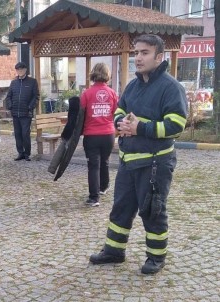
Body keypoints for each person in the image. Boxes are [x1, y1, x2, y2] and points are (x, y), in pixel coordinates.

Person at [89, 34, 188, 274]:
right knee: (121, 208)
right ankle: (114, 251)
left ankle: (156, 257)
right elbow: (120, 109)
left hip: (155, 164)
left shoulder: (170, 87)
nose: (138, 57)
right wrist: (120, 122)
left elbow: (176, 124)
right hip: (127, 162)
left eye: (145, 53)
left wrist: (140, 127)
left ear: (159, 57)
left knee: (152, 210)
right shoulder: (132, 86)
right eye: (136, 52)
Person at [80, 63, 118, 207]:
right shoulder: (112, 93)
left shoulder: (87, 93)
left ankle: (94, 197)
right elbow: (116, 111)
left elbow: (81, 113)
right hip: (108, 133)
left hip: (92, 134)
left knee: (93, 165)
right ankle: (103, 187)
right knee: (105, 161)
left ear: (93, 74)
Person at [6, 62, 39, 161]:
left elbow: (36, 96)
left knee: (25, 134)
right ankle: (20, 153)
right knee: (18, 134)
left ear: (25, 70)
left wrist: (30, 107)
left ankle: (27, 153)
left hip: (26, 113)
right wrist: (10, 106)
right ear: (16, 71)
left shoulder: (32, 82)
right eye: (18, 70)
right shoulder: (13, 83)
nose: (20, 71)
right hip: (15, 113)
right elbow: (9, 97)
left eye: (21, 69)